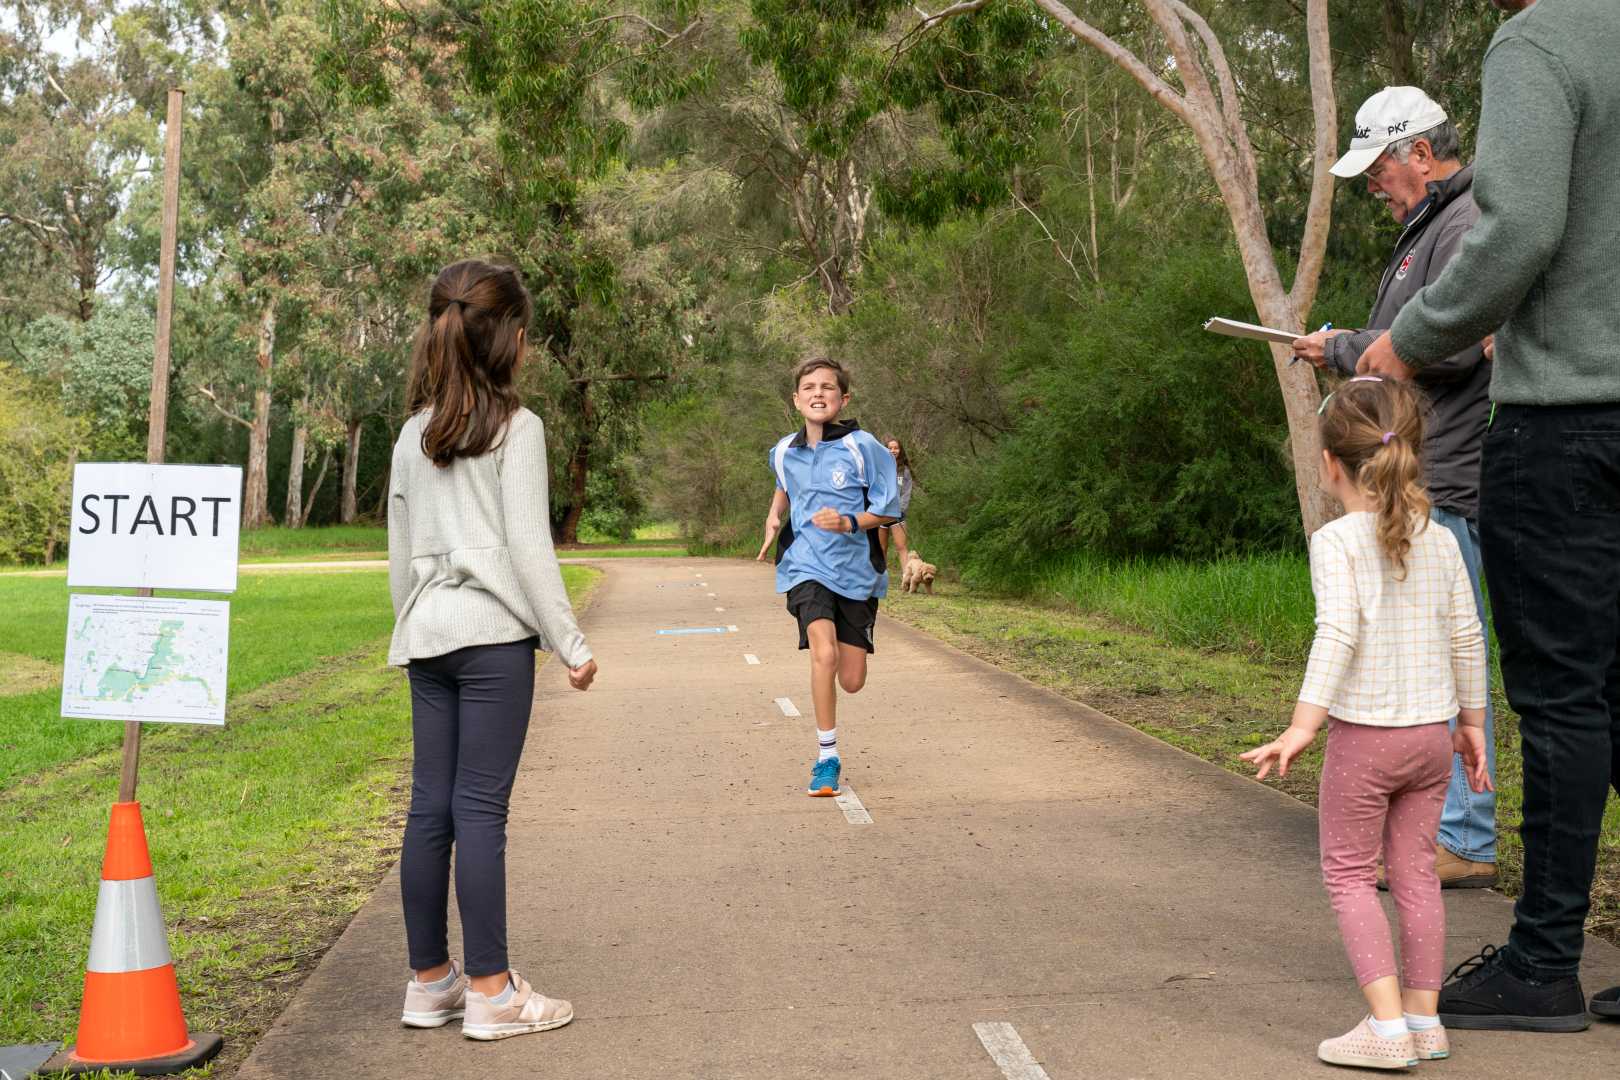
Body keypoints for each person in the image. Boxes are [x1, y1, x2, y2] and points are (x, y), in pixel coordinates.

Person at [1357, 0, 1620, 1030]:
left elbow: (1519, 228)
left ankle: (1545, 958)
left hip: (1571, 421)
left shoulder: (1544, 38)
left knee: (1563, 701)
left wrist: (1409, 339)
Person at [1243, 376, 1491, 1070]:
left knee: (1349, 876)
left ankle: (1386, 1034)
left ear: (1329, 464)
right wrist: (1472, 723)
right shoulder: (1440, 538)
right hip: (1430, 739)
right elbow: (1469, 637)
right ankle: (1425, 1019)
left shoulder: (1336, 542)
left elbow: (1337, 634)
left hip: (1366, 741)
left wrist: (1302, 726)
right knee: (1415, 873)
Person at [388, 259, 599, 1041]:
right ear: (508, 339)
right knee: (481, 813)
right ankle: (492, 994)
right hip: (490, 644)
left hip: (427, 636)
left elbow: (399, 551)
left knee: (429, 810)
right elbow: (528, 550)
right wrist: (570, 644)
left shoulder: (413, 435)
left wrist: (412, 626)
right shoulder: (520, 427)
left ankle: (429, 984)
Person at [1293, 86, 1497, 890]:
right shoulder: (1429, 224)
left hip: (1443, 475)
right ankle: (1427, 829)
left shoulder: (1466, 222)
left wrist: (1345, 347)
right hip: (1414, 470)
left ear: (1419, 152)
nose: (1374, 185)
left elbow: (1451, 342)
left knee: (1446, 651)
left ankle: (1466, 838)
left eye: (1379, 168)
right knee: (1412, 653)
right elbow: (1415, 337)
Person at [755, 357, 900, 796]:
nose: (818, 393)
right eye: (809, 387)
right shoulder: (783, 450)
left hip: (855, 572)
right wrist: (773, 518)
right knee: (823, 653)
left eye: (828, 388)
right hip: (804, 565)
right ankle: (827, 757)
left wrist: (850, 523)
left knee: (851, 680)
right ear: (796, 399)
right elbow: (784, 484)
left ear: (843, 399)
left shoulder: (863, 446)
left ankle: (844, 650)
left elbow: (889, 509)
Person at [878, 438, 914, 570]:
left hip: (897, 514)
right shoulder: (879, 468)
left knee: (901, 547)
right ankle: (881, 577)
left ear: (900, 450)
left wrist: (901, 510)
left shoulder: (904, 471)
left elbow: (906, 492)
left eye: (896, 448)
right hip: (881, 513)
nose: (893, 450)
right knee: (882, 547)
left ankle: (906, 577)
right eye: (890, 448)